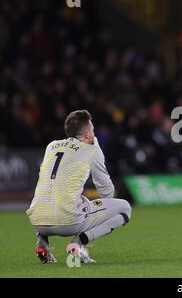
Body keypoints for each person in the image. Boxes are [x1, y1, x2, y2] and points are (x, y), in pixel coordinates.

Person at [26, 110, 132, 263]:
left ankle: (42, 243)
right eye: (93, 131)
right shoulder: (91, 149)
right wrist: (103, 210)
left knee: (56, 199)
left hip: (37, 221)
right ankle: (79, 243)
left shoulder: (51, 146)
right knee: (125, 208)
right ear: (88, 135)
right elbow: (105, 189)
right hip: (69, 222)